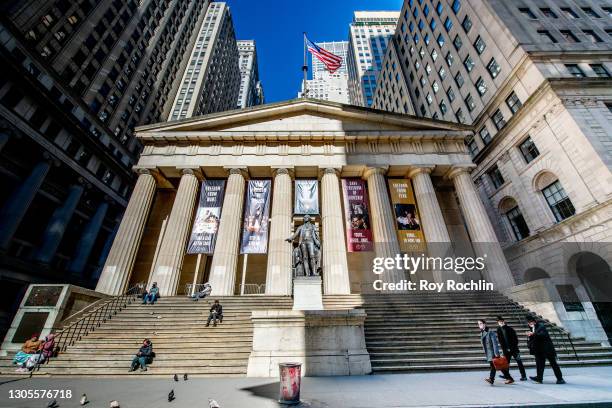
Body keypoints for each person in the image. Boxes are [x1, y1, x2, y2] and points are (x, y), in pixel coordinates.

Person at [526, 315, 565, 384]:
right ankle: (539, 378)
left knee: (553, 364)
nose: (530, 324)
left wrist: (533, 334)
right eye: (529, 323)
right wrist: (529, 340)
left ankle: (560, 379)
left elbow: (543, 335)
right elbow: (532, 339)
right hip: (539, 350)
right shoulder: (532, 329)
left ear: (534, 322)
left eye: (531, 322)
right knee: (539, 364)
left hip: (547, 349)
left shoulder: (541, 326)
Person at [478, 319, 514, 385]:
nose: (479, 325)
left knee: (494, 365)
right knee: (499, 366)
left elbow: (495, 344)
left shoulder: (490, 332)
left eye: (480, 323)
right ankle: (509, 378)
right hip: (488, 353)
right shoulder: (482, 333)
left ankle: (491, 379)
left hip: (492, 352)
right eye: (478, 324)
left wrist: (496, 354)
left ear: (484, 324)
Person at [496, 316, 527, 381]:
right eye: (499, 322)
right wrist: (504, 349)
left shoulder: (510, 329)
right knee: (506, 363)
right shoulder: (499, 330)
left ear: (504, 322)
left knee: (519, 362)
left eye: (501, 321)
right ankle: (506, 375)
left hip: (514, 349)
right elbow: (501, 341)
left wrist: (512, 347)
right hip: (506, 350)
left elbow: (515, 340)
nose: (500, 323)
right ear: (498, 323)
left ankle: (523, 376)